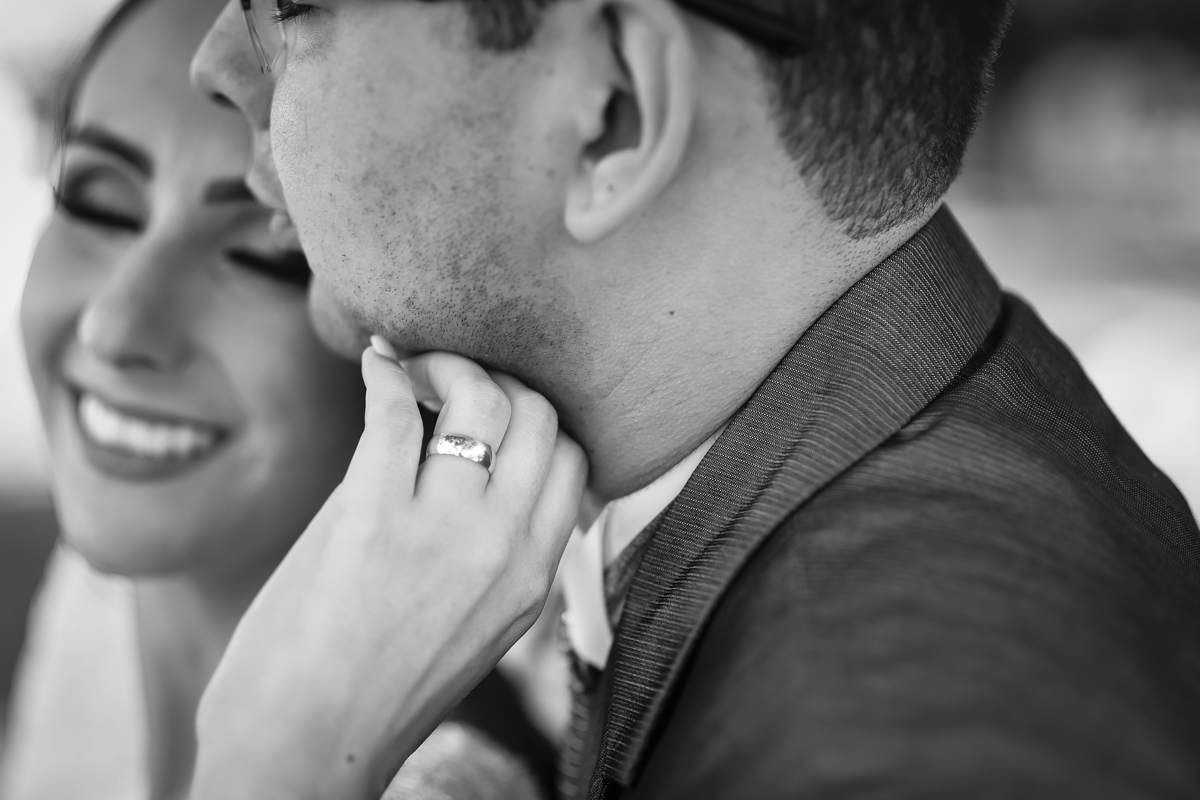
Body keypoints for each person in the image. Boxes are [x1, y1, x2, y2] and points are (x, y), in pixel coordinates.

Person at [189, 1, 1200, 798]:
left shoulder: (879, 752)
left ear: (610, 111)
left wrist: (282, 760)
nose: (214, 63)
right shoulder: (889, 415)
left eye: (292, 3)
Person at [11, 0, 560, 797]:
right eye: (99, 199)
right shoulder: (98, 597)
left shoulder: (446, 780)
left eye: (258, 253)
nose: (116, 324)